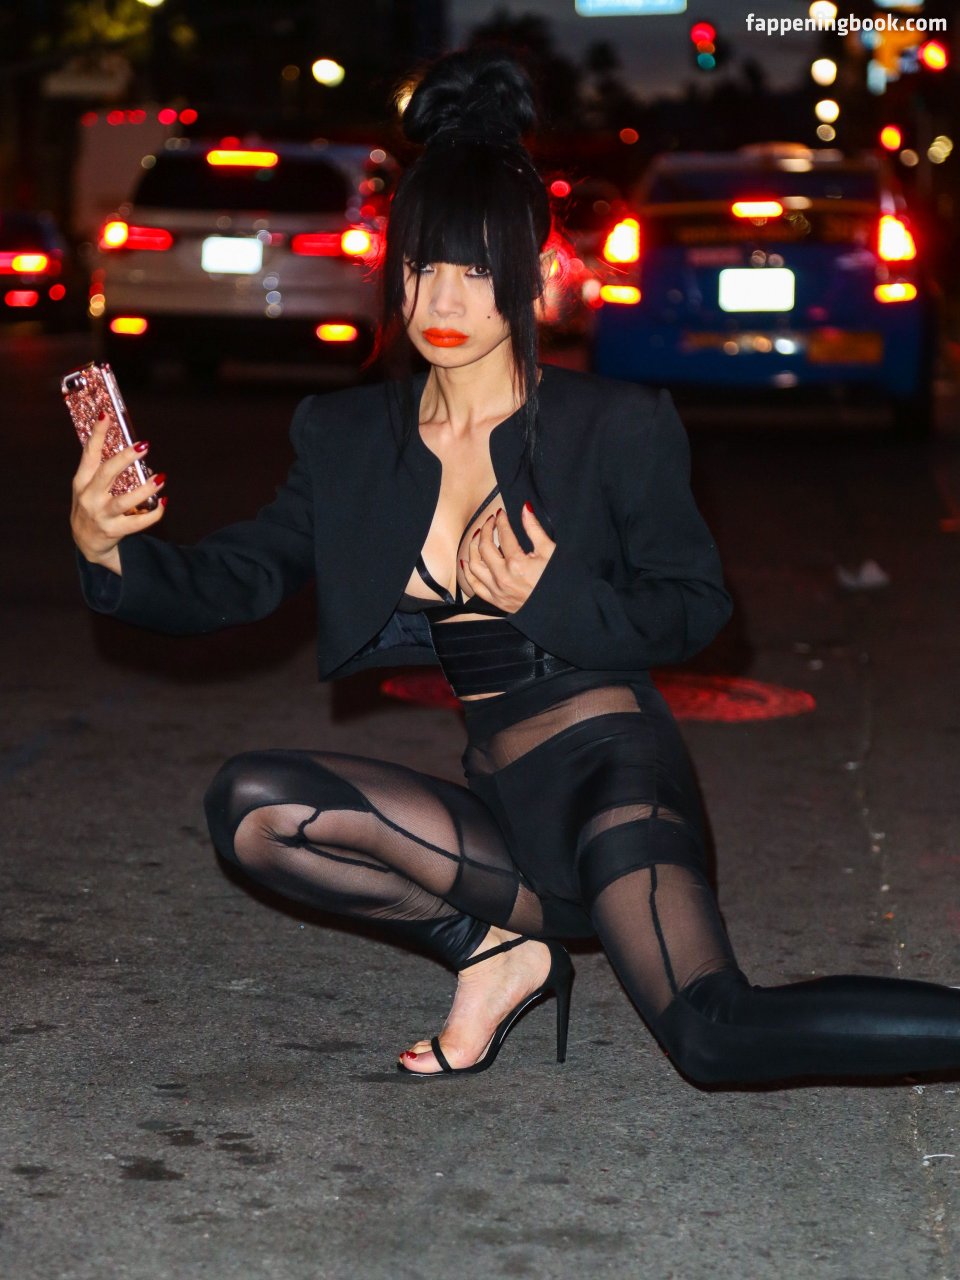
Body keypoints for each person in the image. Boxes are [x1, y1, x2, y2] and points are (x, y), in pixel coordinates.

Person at [71, 50, 960, 1084]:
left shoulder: (611, 425)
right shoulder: (351, 436)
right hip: (500, 802)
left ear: (534, 273)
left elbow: (697, 609)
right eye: (420, 265)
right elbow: (241, 577)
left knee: (715, 1036)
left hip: (614, 782)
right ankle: (497, 951)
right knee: (254, 806)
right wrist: (107, 547)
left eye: (477, 269)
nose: (441, 296)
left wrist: (551, 596)